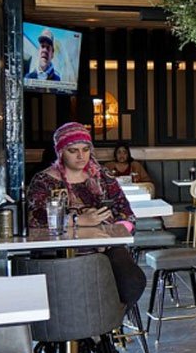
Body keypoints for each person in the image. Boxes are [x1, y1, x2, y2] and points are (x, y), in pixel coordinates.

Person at [26, 122, 146, 306]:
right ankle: (87, 329)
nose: (81, 156)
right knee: (74, 293)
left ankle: (108, 325)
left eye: (85, 149)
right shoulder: (44, 181)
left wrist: (111, 236)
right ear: (60, 152)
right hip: (56, 254)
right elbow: (35, 220)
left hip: (105, 251)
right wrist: (77, 220)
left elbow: (127, 214)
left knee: (132, 283)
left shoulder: (103, 177)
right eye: (73, 150)